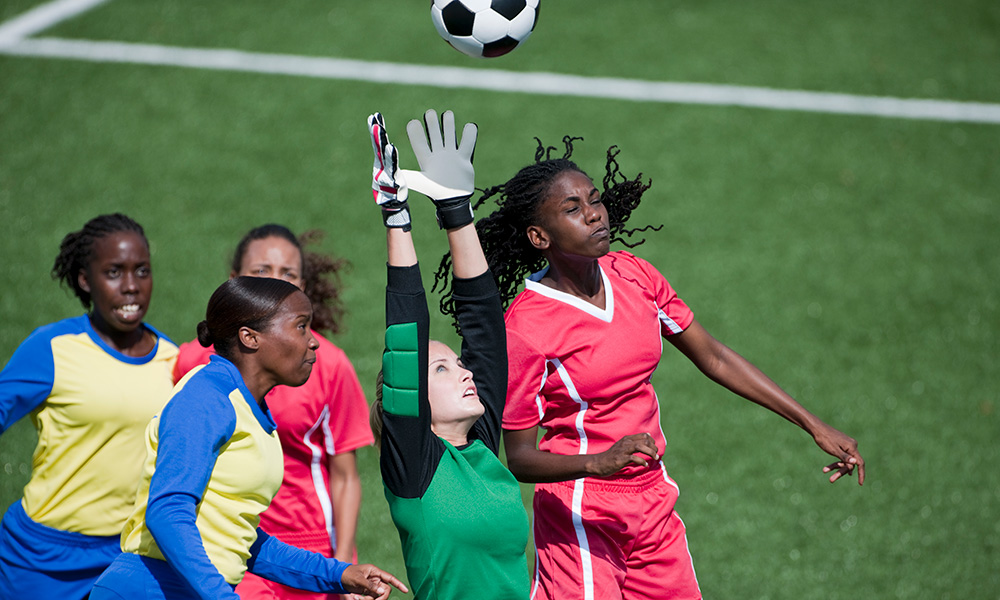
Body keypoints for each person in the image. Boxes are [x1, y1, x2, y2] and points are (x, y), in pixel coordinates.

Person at [435, 138, 866, 600]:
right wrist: (599, 462)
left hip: (653, 499)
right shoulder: (526, 328)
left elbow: (714, 356)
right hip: (582, 513)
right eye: (573, 209)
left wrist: (811, 423)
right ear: (541, 237)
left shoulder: (636, 276)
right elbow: (518, 457)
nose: (595, 214)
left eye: (595, 199)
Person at [90, 276, 407, 600]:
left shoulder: (252, 412)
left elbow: (241, 540)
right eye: (301, 326)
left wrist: (337, 573)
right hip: (150, 589)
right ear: (250, 337)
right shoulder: (206, 397)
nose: (314, 342)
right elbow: (167, 511)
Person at [366, 110, 530, 600]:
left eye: (457, 364)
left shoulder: (481, 446)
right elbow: (406, 331)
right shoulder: (415, 465)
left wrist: (456, 209)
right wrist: (397, 217)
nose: (465, 372)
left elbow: (484, 325)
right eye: (442, 367)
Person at [172, 224, 372, 600]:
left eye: (289, 275)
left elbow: (346, 476)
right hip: (232, 541)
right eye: (261, 272)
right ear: (234, 281)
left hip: (311, 549)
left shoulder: (329, 366)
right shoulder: (195, 366)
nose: (276, 283)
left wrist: (343, 563)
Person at [0, 213, 179, 600]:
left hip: (129, 556)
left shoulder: (173, 360)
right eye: (114, 272)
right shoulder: (51, 348)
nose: (131, 287)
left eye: (142, 271)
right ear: (86, 280)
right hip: (42, 555)